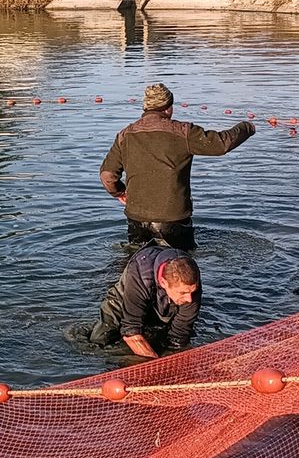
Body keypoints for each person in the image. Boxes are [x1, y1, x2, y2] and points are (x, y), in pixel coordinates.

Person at [100, 82, 255, 250]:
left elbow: (107, 176)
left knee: (138, 267)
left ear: (145, 108)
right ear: (168, 107)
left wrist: (121, 192)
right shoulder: (183, 132)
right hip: (173, 220)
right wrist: (246, 127)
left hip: (136, 219)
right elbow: (222, 144)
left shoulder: (125, 135)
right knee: (179, 270)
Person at [88, 243, 200, 358]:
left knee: (169, 340)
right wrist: (154, 364)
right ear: (163, 282)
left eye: (192, 292)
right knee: (98, 341)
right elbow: (131, 330)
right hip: (125, 298)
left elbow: (179, 335)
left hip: (165, 300)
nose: (190, 299)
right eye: (183, 293)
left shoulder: (190, 278)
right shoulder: (139, 273)